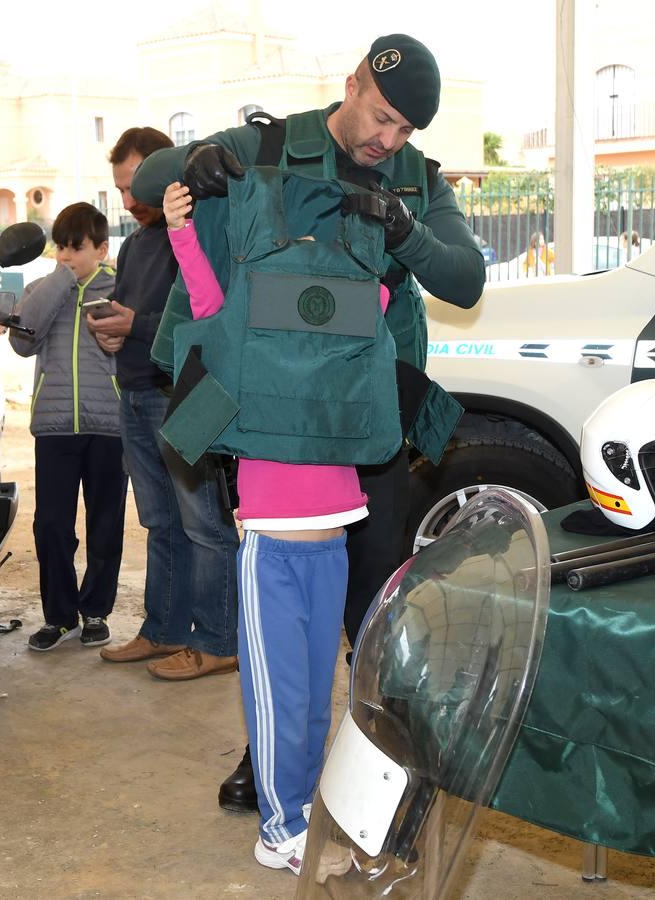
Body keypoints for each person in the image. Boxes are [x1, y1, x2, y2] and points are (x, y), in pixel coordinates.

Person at [132, 34, 484, 808]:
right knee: (281, 599)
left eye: (403, 132)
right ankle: (273, 757)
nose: (385, 141)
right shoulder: (265, 146)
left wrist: (403, 228)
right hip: (277, 412)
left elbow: (464, 279)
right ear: (351, 82)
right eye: (381, 117)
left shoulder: (416, 182)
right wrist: (195, 166)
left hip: (369, 417)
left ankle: (373, 760)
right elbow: (153, 174)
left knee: (370, 598)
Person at [162, 178, 386, 875]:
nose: (310, 249)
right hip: (270, 542)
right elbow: (205, 304)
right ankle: (279, 829)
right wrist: (180, 231)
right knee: (278, 697)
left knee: (317, 695)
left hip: (333, 538)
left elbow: (380, 290)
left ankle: (304, 810)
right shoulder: (251, 315)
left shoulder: (353, 307)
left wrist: (366, 234)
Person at [86, 127, 239, 681]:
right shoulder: (133, 244)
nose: (127, 202)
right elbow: (132, 315)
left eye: (134, 187)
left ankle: (220, 639)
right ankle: (164, 630)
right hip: (135, 392)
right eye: (120, 190)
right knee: (160, 521)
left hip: (182, 394)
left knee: (204, 522)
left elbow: (209, 315)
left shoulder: (197, 232)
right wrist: (112, 330)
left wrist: (139, 325)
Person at [8, 203, 126, 651]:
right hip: (55, 426)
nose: (67, 256)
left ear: (102, 248)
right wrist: (60, 281)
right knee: (52, 524)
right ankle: (59, 616)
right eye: (61, 246)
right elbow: (21, 340)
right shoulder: (44, 288)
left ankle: (95, 610)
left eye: (77, 248)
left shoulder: (119, 290)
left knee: (105, 522)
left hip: (109, 425)